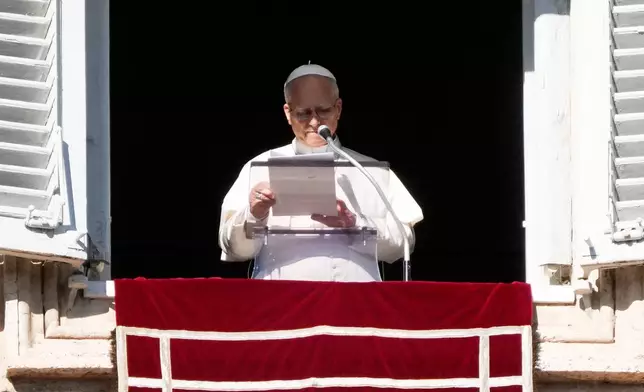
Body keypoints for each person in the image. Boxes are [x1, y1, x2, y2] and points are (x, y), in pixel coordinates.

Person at [218, 64, 423, 282]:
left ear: (338, 109)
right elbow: (234, 249)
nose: (315, 122)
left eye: (323, 111)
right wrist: (254, 214)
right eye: (303, 113)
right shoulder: (258, 166)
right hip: (282, 305)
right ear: (288, 112)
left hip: (354, 306)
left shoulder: (369, 169)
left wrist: (356, 225)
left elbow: (403, 244)